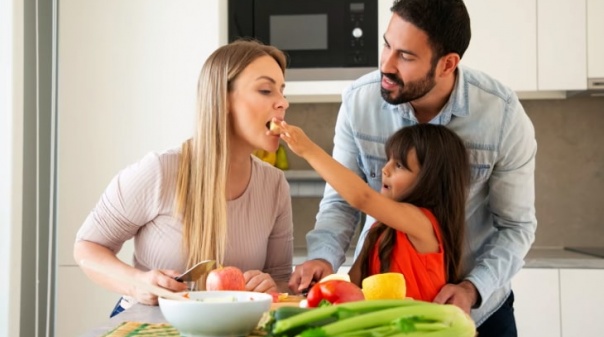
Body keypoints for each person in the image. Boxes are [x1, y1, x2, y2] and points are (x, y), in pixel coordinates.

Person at [288, 0, 537, 336]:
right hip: (382, 316)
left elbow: (515, 227)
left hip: (478, 312)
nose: (386, 65)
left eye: (405, 56)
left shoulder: (501, 115)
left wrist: (471, 288)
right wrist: (323, 259)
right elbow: (341, 203)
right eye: (387, 45)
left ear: (447, 64)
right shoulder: (359, 102)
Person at [74, 39, 294, 316]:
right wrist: (137, 283)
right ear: (222, 99)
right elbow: (87, 247)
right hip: (150, 324)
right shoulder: (159, 171)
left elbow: (281, 278)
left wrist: (270, 284)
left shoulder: (273, 185)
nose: (283, 102)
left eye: (282, 91)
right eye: (265, 90)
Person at [278, 122, 469, 302]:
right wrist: (318, 286)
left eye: (399, 165)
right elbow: (353, 285)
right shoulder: (379, 230)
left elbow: (362, 198)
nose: (385, 170)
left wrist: (308, 150)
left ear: (430, 181)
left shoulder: (423, 223)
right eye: (389, 160)